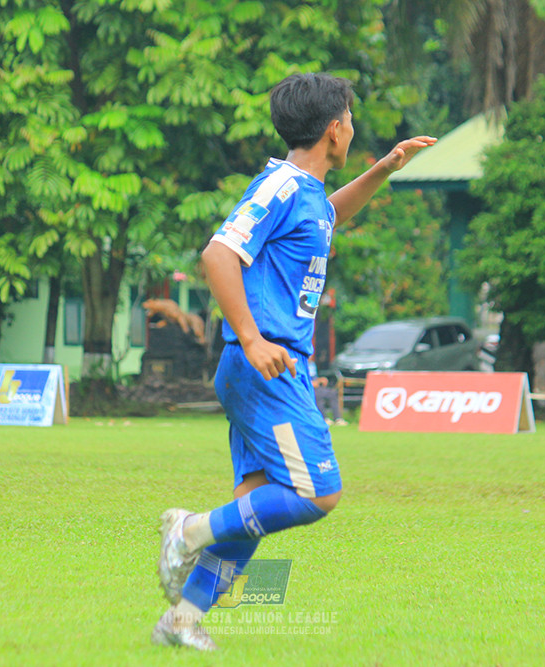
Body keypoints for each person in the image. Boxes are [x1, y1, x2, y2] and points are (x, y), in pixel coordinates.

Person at [152, 72, 436, 649]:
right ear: (335, 131)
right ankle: (188, 529)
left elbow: (327, 215)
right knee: (316, 493)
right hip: (266, 366)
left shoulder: (304, 193)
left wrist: (383, 168)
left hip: (268, 367)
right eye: (351, 120)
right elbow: (218, 253)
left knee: (257, 503)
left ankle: (181, 620)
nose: (353, 129)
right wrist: (253, 339)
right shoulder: (279, 187)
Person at [308, 358, 347, 426]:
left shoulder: (312, 364)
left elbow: (314, 378)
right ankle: (323, 418)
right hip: (308, 389)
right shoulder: (301, 365)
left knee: (332, 393)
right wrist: (311, 383)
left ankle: (337, 418)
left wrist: (320, 380)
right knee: (318, 396)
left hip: (317, 387)